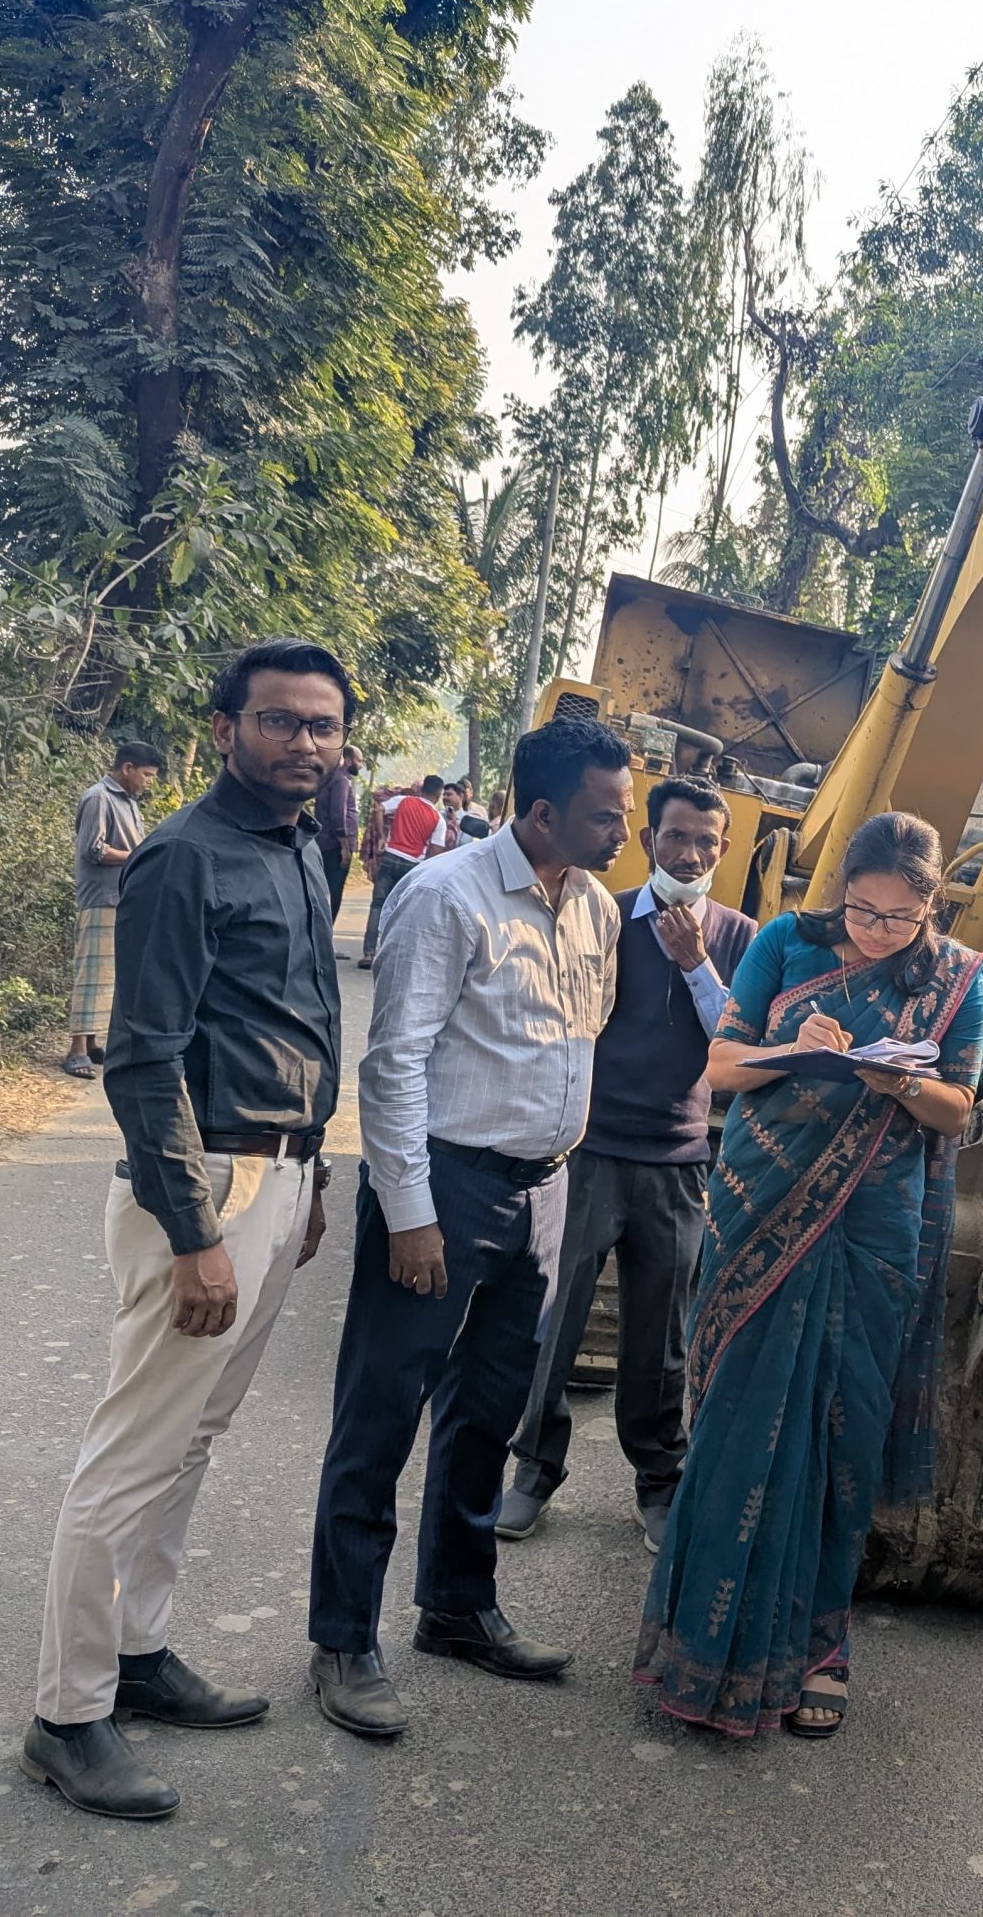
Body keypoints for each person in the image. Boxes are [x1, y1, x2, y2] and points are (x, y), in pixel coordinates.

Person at [22, 640, 350, 1821]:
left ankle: (139, 1652)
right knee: (131, 1453)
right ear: (223, 730)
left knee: (192, 1438)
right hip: (201, 1186)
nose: (303, 743)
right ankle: (67, 1712)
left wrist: (308, 1182)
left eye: (321, 724)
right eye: (278, 722)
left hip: (275, 1179)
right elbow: (146, 1057)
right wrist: (195, 1225)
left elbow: (295, 1019)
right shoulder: (182, 857)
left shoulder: (302, 844)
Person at [635, 811, 983, 1740]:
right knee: (737, 1423)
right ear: (841, 892)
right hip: (761, 1205)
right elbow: (720, 1065)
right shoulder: (787, 942)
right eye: (863, 911)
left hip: (874, 1225)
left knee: (845, 1430)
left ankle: (821, 1649)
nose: (876, 932)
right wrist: (798, 1046)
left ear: (931, 908)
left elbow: (958, 1109)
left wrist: (898, 1083)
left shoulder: (964, 979)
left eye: (898, 920)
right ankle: (697, 1643)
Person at [307, 716, 633, 1740]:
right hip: (443, 1186)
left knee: (485, 1413)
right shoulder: (444, 897)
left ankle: (455, 1602)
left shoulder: (596, 911)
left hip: (541, 1192)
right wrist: (409, 1212)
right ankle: (343, 1638)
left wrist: (556, 1182)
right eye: (603, 813)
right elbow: (393, 1061)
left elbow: (584, 1034)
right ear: (542, 813)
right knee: (382, 1412)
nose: (621, 830)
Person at [500, 778, 756, 1552]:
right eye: (676, 837)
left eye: (706, 841)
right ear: (650, 841)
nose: (691, 853)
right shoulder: (601, 915)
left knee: (661, 1334)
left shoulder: (742, 936)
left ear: (724, 848)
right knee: (555, 1318)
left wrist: (696, 965)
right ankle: (533, 1471)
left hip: (679, 1160)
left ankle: (658, 1481)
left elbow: (735, 1046)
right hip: (590, 1149)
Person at [63, 741, 163, 1080]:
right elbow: (93, 850)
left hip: (122, 897)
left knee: (109, 974)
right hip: (100, 897)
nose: (149, 781)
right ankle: (76, 1050)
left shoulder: (128, 801)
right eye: (146, 774)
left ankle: (91, 1044)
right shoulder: (98, 798)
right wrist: (138, 855)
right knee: (91, 974)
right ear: (127, 769)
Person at [360, 772, 447, 968]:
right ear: (438, 794)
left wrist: (382, 836)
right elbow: (435, 852)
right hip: (412, 867)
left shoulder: (404, 801)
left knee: (378, 905)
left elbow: (379, 809)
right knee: (400, 911)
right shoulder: (437, 819)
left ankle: (369, 953)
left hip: (390, 856)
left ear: (422, 788)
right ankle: (389, 956)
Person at [317, 743, 364, 914]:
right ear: (349, 760)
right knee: (334, 892)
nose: (360, 765)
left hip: (324, 842)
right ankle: (325, 933)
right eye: (359, 761)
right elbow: (338, 814)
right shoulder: (342, 781)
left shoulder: (331, 778)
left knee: (325, 889)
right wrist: (344, 846)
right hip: (335, 845)